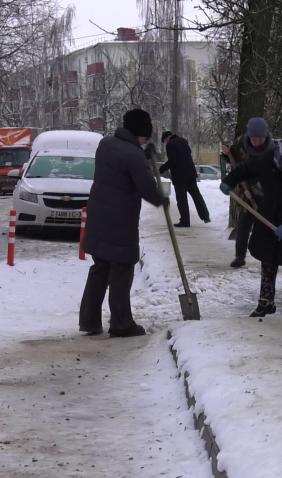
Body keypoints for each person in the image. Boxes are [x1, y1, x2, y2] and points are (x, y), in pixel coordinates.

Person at [79, 109, 167, 338]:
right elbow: (145, 186)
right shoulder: (133, 154)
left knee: (100, 268)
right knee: (121, 270)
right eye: (145, 137)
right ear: (140, 133)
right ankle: (121, 324)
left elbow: (122, 166)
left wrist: (142, 155)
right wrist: (161, 199)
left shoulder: (105, 145)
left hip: (99, 218)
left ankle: (89, 321)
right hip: (120, 223)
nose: (145, 140)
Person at [220, 136, 282, 317]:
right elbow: (246, 169)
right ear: (278, 160)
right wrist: (229, 181)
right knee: (268, 261)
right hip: (270, 219)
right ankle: (266, 302)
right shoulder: (267, 161)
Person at [220, 118, 278, 267]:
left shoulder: (272, 149)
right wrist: (226, 153)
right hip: (243, 187)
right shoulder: (241, 143)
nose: (257, 142)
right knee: (244, 224)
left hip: (265, 192)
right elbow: (232, 159)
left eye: (260, 139)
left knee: (267, 225)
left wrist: (255, 190)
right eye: (254, 139)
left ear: (265, 136)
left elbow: (268, 175)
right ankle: (240, 256)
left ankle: (269, 257)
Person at [159, 131, 211, 227]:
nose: (166, 143)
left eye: (165, 142)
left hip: (179, 176)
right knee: (196, 196)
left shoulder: (170, 145)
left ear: (167, 138)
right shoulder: (183, 141)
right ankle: (205, 216)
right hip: (190, 174)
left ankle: (185, 221)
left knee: (182, 199)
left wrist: (163, 168)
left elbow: (173, 160)